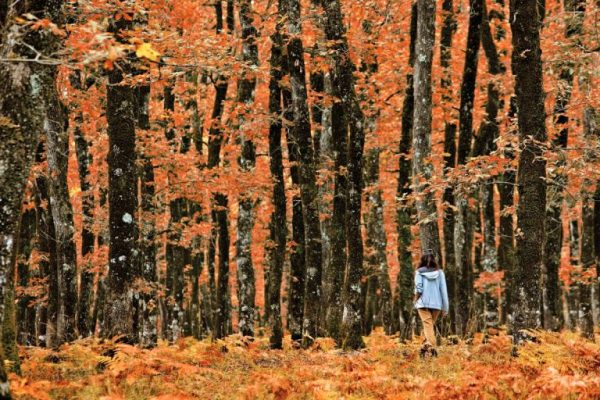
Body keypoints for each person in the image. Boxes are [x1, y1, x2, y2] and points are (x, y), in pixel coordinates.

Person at [414, 249, 449, 358]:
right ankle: (424, 353)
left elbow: (419, 289)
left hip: (423, 304)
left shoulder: (419, 272)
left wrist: (415, 300)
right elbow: (444, 291)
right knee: (429, 327)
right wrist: (445, 308)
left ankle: (432, 348)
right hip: (437, 305)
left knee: (428, 326)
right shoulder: (440, 273)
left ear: (422, 260)